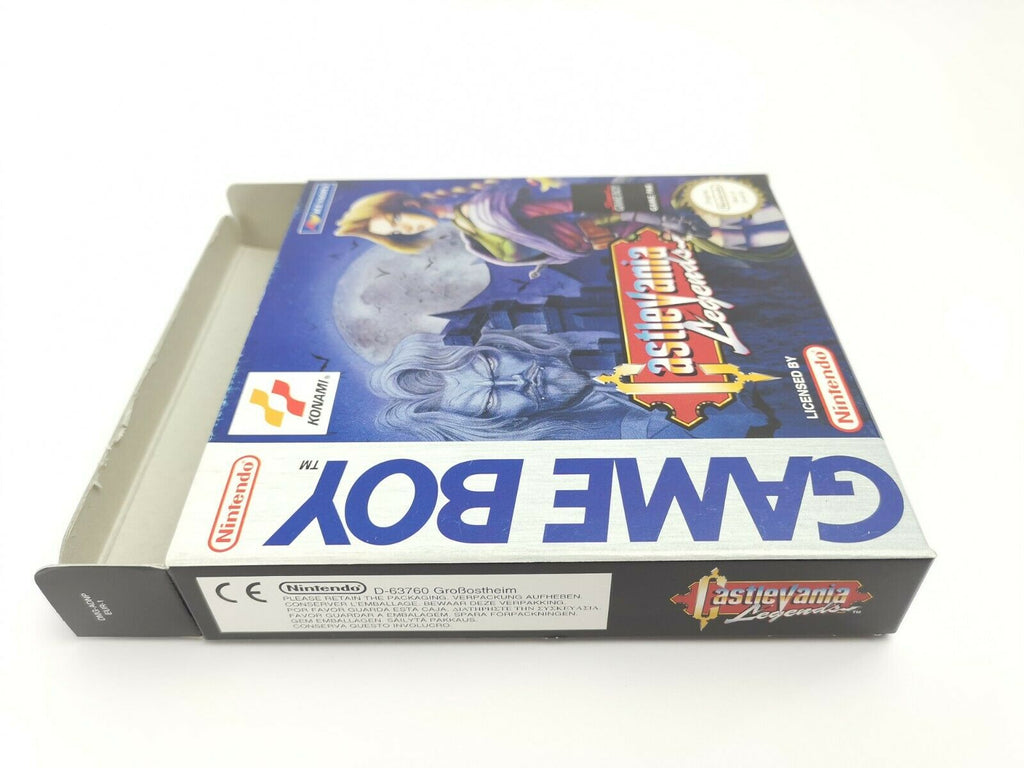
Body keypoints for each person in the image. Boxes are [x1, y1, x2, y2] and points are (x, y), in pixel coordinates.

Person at [370, 326, 768, 441]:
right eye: (491, 402)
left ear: (501, 345)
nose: (517, 382)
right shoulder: (644, 434)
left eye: (490, 364)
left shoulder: (600, 328)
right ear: (499, 423)